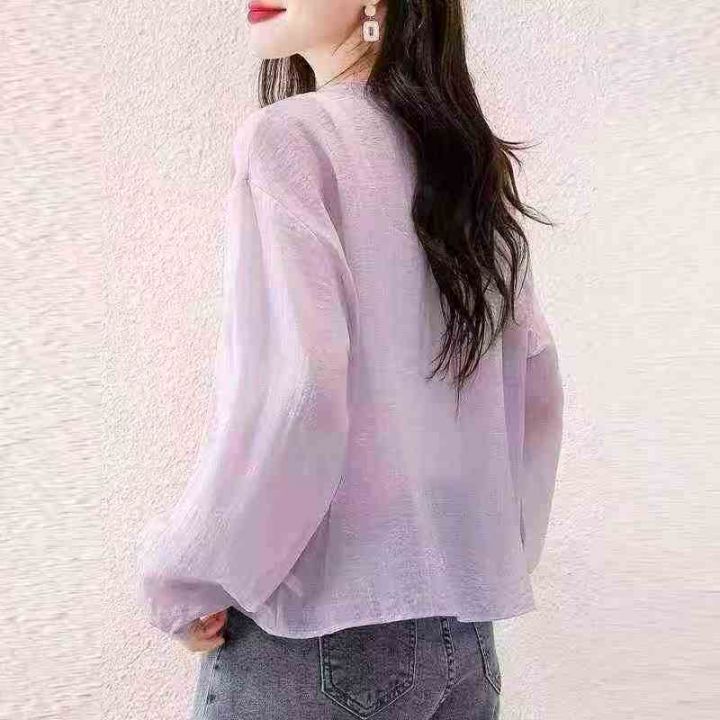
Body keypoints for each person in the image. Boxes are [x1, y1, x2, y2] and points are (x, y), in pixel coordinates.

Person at [135, 1, 564, 718]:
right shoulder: (466, 156)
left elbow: (299, 391)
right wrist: (486, 556)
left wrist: (186, 576)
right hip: (464, 637)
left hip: (319, 638)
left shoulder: (290, 136)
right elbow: (538, 391)